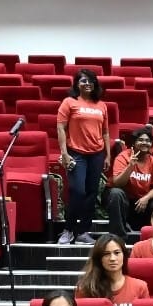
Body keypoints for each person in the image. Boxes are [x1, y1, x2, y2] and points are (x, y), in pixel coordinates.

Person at [57, 67, 110, 242]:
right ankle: (68, 229)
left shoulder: (101, 105)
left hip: (97, 154)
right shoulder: (69, 102)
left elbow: (105, 132)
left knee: (92, 193)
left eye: (91, 80)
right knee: (78, 191)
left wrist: (108, 155)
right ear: (77, 84)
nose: (88, 83)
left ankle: (82, 232)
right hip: (76, 153)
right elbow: (61, 128)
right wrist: (64, 153)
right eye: (83, 80)